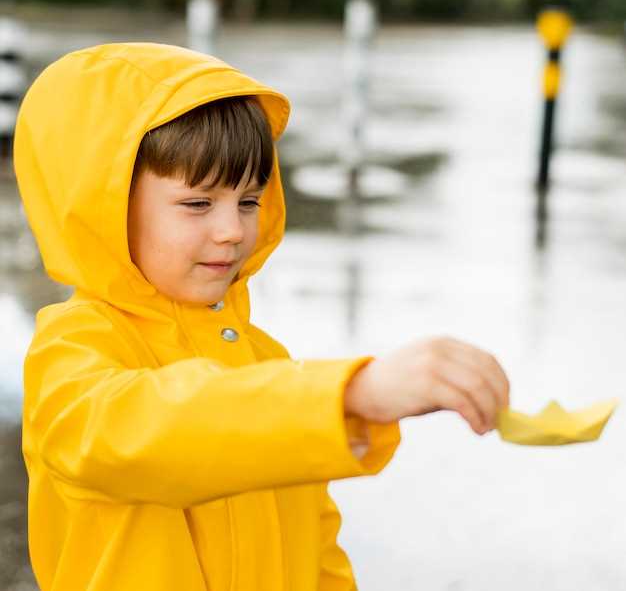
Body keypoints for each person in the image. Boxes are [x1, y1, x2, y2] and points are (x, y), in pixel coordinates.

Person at [13, 42, 510, 591]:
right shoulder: (71, 354)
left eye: (249, 201)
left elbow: (320, 557)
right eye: (198, 204)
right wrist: (348, 396)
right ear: (101, 209)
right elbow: (143, 433)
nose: (232, 229)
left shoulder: (267, 363)